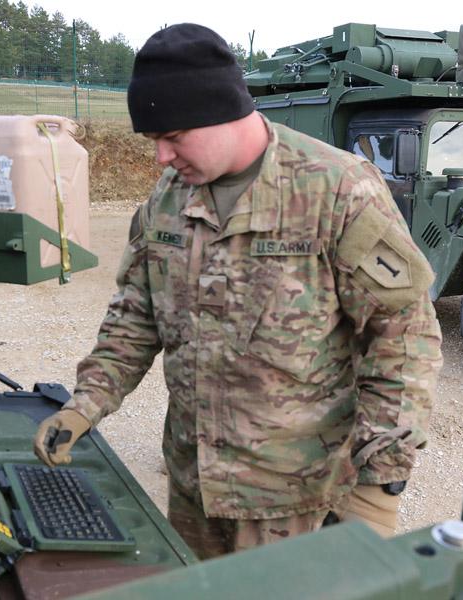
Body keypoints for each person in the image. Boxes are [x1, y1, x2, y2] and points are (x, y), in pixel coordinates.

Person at [33, 23, 442, 559]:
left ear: (225, 111)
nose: (161, 157)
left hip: (294, 497)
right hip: (193, 483)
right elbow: (136, 315)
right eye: (153, 140)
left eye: (173, 137)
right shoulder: (169, 198)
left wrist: (378, 485)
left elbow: (403, 338)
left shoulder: (336, 190)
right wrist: (87, 404)